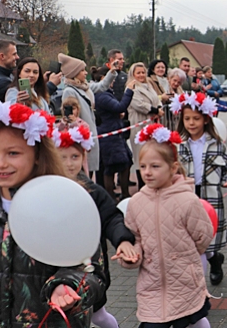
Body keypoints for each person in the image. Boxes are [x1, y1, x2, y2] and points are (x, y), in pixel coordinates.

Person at [0, 103, 105, 328]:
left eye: (13, 153)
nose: (1, 163)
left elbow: (91, 270)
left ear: (37, 154)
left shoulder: (65, 203)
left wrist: (68, 286)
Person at [117, 124, 215, 328]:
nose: (147, 172)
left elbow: (203, 236)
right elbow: (136, 239)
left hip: (184, 282)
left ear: (172, 167)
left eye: (155, 166)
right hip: (151, 285)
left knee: (191, 320)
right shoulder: (136, 202)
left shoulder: (187, 200)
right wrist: (132, 256)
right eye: (143, 166)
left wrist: (185, 257)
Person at [53, 124, 137, 328]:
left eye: (74, 157)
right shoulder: (45, 189)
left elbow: (111, 218)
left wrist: (123, 240)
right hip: (52, 265)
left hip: (87, 266)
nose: (69, 164)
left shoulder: (92, 191)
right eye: (62, 157)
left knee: (98, 315)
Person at [171, 92, 227, 286]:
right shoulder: (177, 145)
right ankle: (201, 275)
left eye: (196, 118)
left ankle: (214, 260)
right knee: (192, 240)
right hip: (186, 197)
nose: (191, 123)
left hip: (210, 197)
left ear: (205, 119)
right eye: (187, 119)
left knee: (207, 237)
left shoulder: (217, 144)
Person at [95, 68, 135, 200]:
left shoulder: (106, 93)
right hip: (109, 135)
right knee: (111, 167)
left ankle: (123, 194)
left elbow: (116, 109)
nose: (113, 81)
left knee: (125, 163)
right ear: (102, 78)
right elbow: (119, 107)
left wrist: (117, 114)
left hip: (114, 133)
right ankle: (113, 197)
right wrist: (129, 90)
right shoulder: (102, 95)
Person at [59, 53, 100, 173]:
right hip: (81, 136)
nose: (86, 72)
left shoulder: (84, 88)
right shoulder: (70, 91)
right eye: (82, 70)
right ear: (74, 73)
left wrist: (112, 73)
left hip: (88, 133)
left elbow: (101, 86)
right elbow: (70, 117)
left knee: (90, 172)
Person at [127, 62, 164, 187]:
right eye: (138, 73)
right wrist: (155, 110)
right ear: (133, 74)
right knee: (140, 156)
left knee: (151, 154)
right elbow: (139, 105)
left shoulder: (148, 85)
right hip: (139, 125)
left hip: (151, 124)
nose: (141, 75)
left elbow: (157, 99)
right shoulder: (131, 88)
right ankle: (142, 185)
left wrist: (159, 108)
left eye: (143, 72)